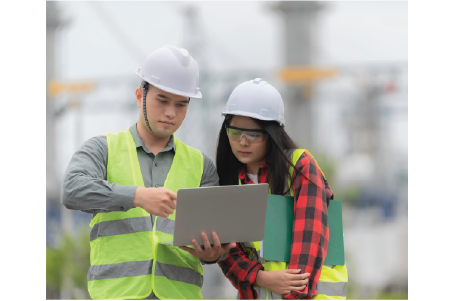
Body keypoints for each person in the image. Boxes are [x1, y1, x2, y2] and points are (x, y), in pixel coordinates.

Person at [62, 45, 235, 300]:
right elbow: (72, 189)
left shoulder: (202, 166)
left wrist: (214, 254)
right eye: (162, 100)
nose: (170, 113)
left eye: (181, 105)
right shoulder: (103, 149)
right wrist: (137, 196)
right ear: (139, 96)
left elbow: (214, 238)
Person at [215, 78, 348, 300]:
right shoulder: (230, 181)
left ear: (272, 133)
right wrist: (259, 277)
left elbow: (309, 242)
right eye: (235, 132)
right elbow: (228, 254)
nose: (243, 142)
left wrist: (293, 295)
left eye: (253, 134)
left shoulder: (299, 166)